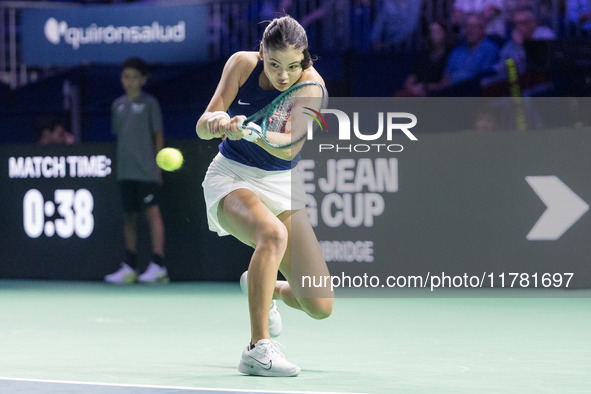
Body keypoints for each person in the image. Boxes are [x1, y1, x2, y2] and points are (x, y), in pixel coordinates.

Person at [196, 16, 333, 377]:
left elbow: (289, 146)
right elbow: (203, 122)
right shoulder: (241, 64)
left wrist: (257, 134)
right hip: (231, 175)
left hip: (281, 183)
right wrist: (218, 124)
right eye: (274, 64)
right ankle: (257, 349)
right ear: (261, 53)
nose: (282, 75)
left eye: (293, 66)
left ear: (306, 60)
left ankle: (265, 285)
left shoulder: (311, 88)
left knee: (320, 304)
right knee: (272, 235)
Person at [104, 57, 169, 285]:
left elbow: (157, 135)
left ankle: (158, 266)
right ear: (122, 79)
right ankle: (130, 267)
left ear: (142, 79)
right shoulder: (117, 105)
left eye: (134, 77)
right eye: (126, 77)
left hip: (147, 170)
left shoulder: (150, 104)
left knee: (152, 214)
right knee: (129, 217)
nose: (130, 81)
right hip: (125, 171)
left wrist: (158, 166)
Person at [395, 21, 452, 97]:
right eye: (432, 31)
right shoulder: (422, 56)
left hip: (438, 95)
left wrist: (425, 87)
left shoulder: (451, 55)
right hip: (417, 92)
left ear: (444, 33)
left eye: (438, 31)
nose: (435, 34)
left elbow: (445, 83)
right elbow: (410, 79)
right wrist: (413, 89)